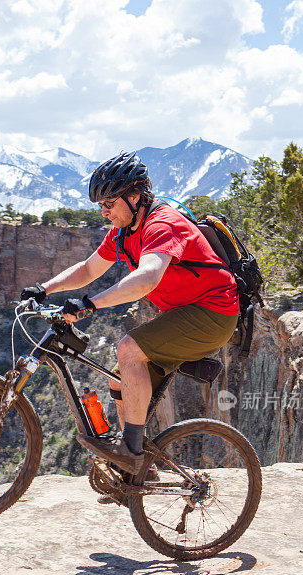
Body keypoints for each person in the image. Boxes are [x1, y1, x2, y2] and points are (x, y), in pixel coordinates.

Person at [20, 152, 239, 475]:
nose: (105, 212)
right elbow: (88, 269)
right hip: (182, 314)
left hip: (213, 313)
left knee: (128, 349)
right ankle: (135, 472)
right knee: (120, 381)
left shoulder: (163, 224)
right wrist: (45, 288)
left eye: (109, 203)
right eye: (101, 206)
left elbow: (147, 277)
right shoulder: (124, 230)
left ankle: (131, 451)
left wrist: (90, 304)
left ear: (134, 196)